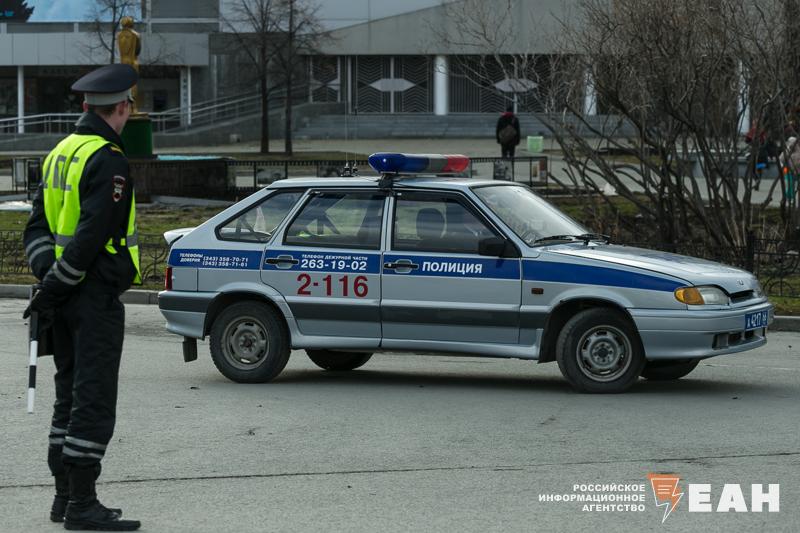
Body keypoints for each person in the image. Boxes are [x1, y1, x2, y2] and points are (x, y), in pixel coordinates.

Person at [23, 63, 142, 531]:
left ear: (86, 105)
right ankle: (83, 505)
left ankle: (63, 497)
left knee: (67, 398)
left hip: (62, 296)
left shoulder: (60, 152)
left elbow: (36, 228)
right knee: (92, 400)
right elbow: (92, 236)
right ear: (123, 108)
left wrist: (49, 281)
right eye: (130, 104)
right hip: (92, 298)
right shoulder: (108, 158)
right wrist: (59, 283)